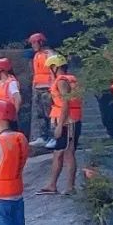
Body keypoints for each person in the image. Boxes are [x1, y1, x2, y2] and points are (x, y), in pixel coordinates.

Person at [41, 55, 82, 195]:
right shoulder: (70, 79)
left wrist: (60, 125)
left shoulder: (62, 81)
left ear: (55, 67)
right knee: (58, 153)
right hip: (66, 120)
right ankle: (52, 184)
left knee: (68, 153)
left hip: (68, 122)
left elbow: (66, 103)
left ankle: (70, 187)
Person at [26, 34, 56, 146]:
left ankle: (53, 137)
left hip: (48, 88)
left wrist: (54, 87)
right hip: (38, 88)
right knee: (40, 114)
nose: (33, 45)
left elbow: (54, 71)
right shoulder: (37, 55)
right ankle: (43, 136)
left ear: (41, 42)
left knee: (50, 114)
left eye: (35, 43)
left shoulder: (49, 54)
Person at [0, 58, 22, 125]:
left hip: (8, 121)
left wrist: (13, 116)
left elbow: (17, 99)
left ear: (1, 71)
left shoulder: (11, 83)